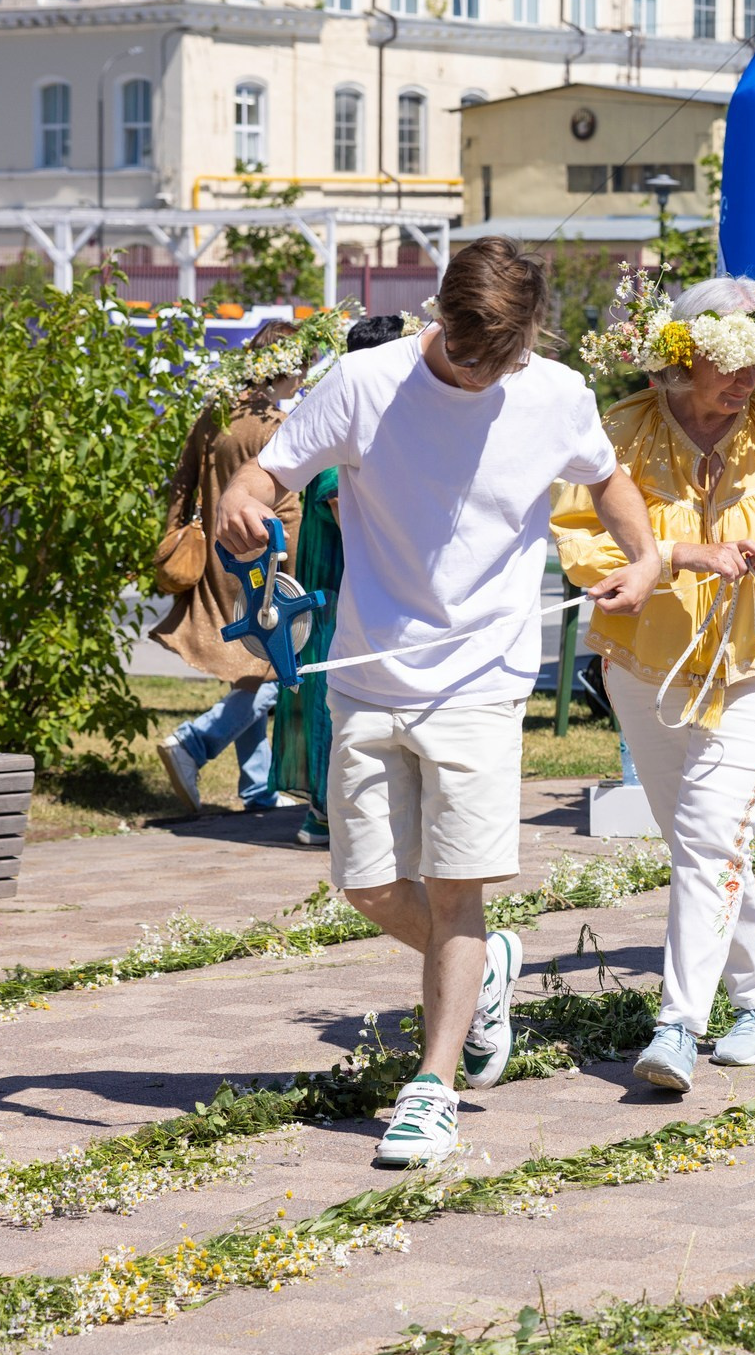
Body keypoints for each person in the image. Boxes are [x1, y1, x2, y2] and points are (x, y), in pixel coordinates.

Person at [215, 237, 664, 1166]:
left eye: (495, 361)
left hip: (484, 677)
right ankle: (485, 968)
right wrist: (241, 499)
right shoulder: (363, 381)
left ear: (529, 336)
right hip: (371, 668)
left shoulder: (555, 393)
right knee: (368, 883)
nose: (475, 375)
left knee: (458, 889)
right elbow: (270, 473)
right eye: (463, 354)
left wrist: (648, 557)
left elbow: (608, 478)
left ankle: (434, 1087)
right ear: (440, 318)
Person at [555, 273, 755, 1093]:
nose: (747, 381)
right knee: (704, 841)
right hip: (644, 666)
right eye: (730, 363)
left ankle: (678, 1025)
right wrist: (681, 554)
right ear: (683, 356)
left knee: (708, 832)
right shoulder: (617, 431)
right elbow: (579, 542)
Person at [267, 311, 416, 851]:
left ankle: (336, 813)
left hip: (351, 595)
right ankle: (329, 814)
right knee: (337, 700)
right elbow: (350, 508)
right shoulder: (349, 433)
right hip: (336, 597)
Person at [153, 321, 310, 813]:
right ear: (289, 366)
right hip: (265, 563)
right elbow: (289, 507)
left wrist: (173, 537)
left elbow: (180, 482)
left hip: (219, 559)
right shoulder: (274, 426)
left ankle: (256, 787)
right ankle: (195, 742)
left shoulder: (217, 412)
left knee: (251, 667)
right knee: (275, 668)